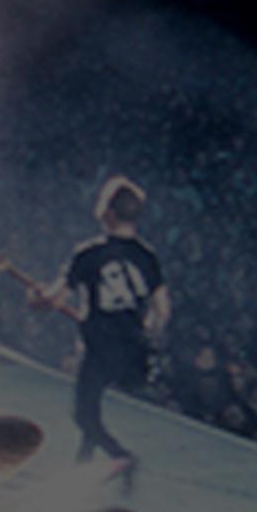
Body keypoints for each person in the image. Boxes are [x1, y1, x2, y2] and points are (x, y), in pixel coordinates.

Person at [28, 175, 171, 468]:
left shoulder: (89, 254)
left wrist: (35, 298)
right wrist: (148, 334)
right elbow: (163, 310)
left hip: (100, 348)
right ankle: (83, 462)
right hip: (132, 347)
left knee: (84, 413)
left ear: (107, 212)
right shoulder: (148, 256)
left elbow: (54, 300)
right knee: (93, 407)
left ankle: (119, 455)